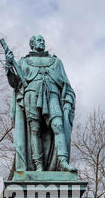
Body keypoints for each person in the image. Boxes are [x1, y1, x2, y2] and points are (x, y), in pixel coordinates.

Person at [5, 35, 77, 172]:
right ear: (32, 44)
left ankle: (63, 162)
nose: (42, 42)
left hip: (52, 95)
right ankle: (38, 166)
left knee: (58, 126)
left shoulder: (55, 62)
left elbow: (66, 84)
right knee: (35, 130)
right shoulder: (23, 62)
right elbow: (14, 83)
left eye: (43, 40)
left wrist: (68, 98)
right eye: (38, 40)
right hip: (31, 95)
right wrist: (8, 65)